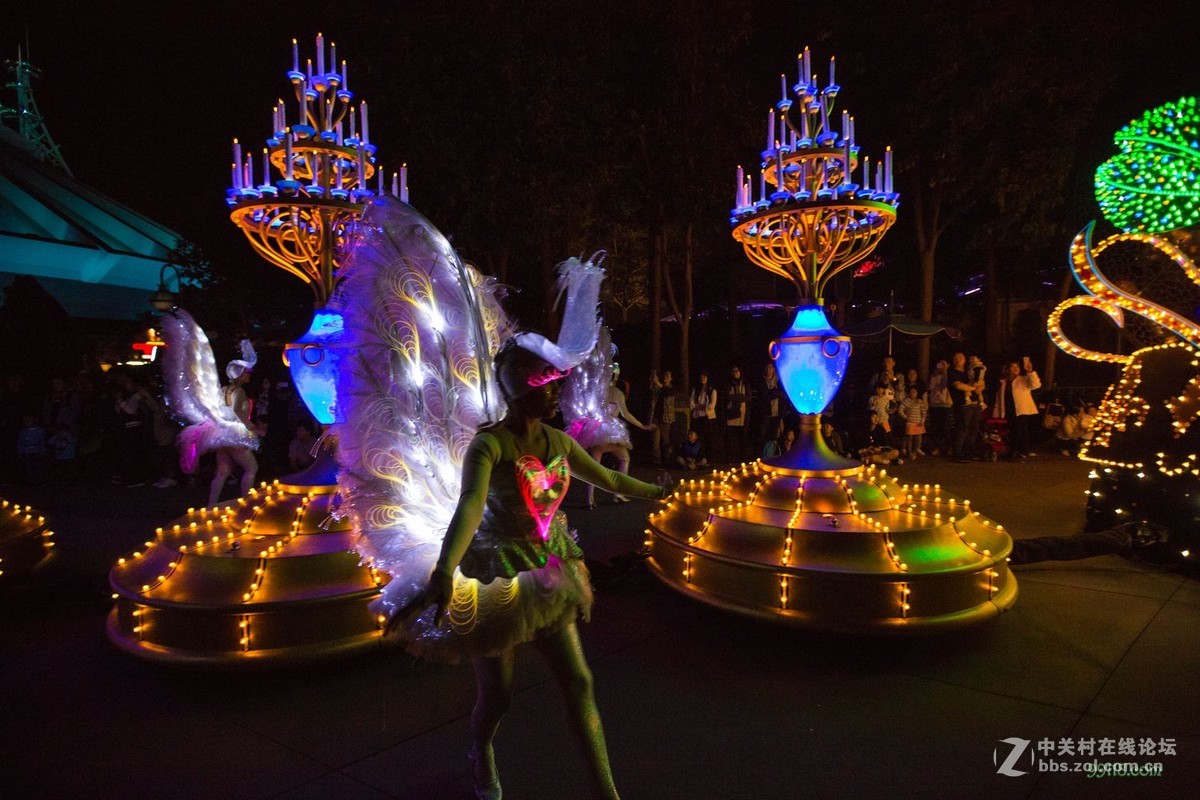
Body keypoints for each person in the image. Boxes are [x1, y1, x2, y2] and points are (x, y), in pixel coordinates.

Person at [390, 341, 671, 800]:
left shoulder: (558, 442)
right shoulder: (490, 445)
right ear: (520, 389)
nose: (558, 394)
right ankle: (481, 755)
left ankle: (607, 793)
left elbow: (613, 479)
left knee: (580, 681)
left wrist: (660, 492)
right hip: (495, 579)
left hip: (548, 572)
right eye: (548, 384)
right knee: (498, 696)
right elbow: (470, 504)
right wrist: (444, 571)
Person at [585, 362, 655, 509]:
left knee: (594, 465)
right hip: (610, 431)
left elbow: (589, 411)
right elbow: (626, 414)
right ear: (615, 376)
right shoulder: (617, 393)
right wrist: (642, 426)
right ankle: (618, 493)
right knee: (624, 458)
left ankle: (590, 499)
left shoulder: (596, 391)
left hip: (596, 430)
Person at [208, 349, 260, 507]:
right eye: (247, 372)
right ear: (240, 374)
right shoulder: (239, 391)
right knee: (252, 467)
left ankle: (211, 505)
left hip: (223, 434)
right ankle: (244, 504)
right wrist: (250, 426)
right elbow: (237, 410)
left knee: (222, 471)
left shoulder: (224, 390)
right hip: (235, 434)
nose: (249, 375)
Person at [992, 357, 1041, 462]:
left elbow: (1036, 385)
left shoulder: (1023, 379)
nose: (1015, 368)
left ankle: (1023, 452)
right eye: (1012, 367)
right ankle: (1013, 451)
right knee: (1012, 431)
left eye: (1017, 366)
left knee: (1021, 431)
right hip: (1009, 410)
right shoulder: (1004, 382)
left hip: (1022, 410)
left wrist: (1030, 371)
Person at [950, 352, 983, 462]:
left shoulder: (969, 372)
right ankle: (957, 453)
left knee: (973, 429)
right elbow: (958, 385)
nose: (958, 359)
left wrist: (980, 387)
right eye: (955, 357)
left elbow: (981, 382)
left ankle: (970, 452)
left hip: (975, 403)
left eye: (960, 357)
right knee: (962, 429)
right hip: (962, 404)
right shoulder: (952, 372)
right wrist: (973, 388)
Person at [723, 365, 750, 462]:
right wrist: (738, 397)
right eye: (733, 371)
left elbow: (748, 397)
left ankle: (742, 457)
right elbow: (727, 396)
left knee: (742, 436)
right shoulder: (728, 384)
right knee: (729, 437)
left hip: (742, 413)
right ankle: (728, 457)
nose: (735, 373)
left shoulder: (745, 384)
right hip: (731, 412)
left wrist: (737, 397)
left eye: (737, 371)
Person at [926, 359, 952, 456]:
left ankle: (948, 447)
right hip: (934, 404)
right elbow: (930, 387)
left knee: (945, 427)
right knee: (935, 427)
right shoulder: (933, 376)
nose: (941, 366)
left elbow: (944, 386)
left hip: (946, 404)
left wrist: (945, 373)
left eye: (944, 364)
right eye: (939, 364)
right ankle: (936, 447)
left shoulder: (950, 375)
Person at [690, 371, 718, 457]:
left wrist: (701, 406)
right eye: (702, 377)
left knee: (707, 437)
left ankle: (707, 456)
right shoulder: (696, 389)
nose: (703, 378)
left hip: (707, 418)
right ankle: (698, 454)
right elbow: (691, 403)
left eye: (705, 377)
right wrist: (697, 406)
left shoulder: (712, 390)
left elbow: (712, 405)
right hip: (697, 417)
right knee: (698, 437)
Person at [898, 385, 928, 459]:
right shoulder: (907, 401)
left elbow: (923, 412)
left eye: (914, 392)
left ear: (917, 393)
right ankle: (909, 453)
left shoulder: (920, 401)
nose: (912, 393)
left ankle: (915, 451)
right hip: (910, 423)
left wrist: (922, 420)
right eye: (911, 392)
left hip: (918, 423)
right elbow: (900, 409)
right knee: (909, 439)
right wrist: (905, 417)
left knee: (918, 439)